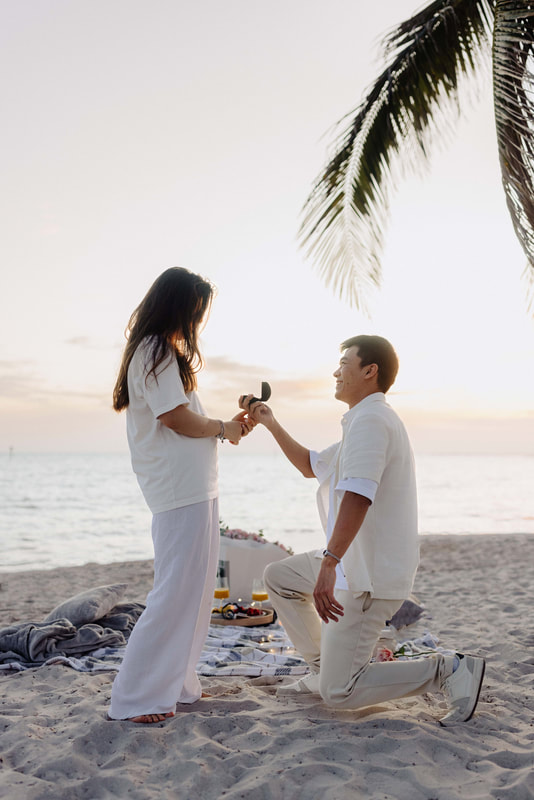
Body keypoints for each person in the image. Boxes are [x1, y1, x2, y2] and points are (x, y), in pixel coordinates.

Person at [243, 335, 485, 726]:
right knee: (280, 577)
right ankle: (324, 668)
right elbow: (311, 465)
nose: (336, 371)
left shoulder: (372, 421)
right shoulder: (363, 420)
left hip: (367, 577)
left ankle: (448, 670)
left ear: (369, 371)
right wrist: (269, 422)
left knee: (341, 693)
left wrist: (329, 562)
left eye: (344, 363)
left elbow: (358, 496)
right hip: (354, 563)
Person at [109, 267, 253, 723]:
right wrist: (224, 430)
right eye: (195, 311)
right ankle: (134, 699)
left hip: (196, 487)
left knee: (193, 593)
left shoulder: (163, 352)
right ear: (178, 306)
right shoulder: (154, 350)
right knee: (173, 594)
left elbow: (186, 418)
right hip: (178, 490)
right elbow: (174, 419)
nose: (196, 321)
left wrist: (227, 427)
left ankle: (180, 685)